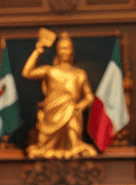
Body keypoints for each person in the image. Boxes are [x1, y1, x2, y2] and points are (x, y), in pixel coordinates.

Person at [21, 31, 97, 159]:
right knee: (45, 144)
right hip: (52, 111)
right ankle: (48, 147)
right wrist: (38, 49)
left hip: (72, 110)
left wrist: (81, 105)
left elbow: (89, 96)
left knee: (71, 110)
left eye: (68, 48)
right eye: (62, 48)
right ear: (58, 51)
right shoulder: (50, 71)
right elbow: (27, 73)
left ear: (72, 51)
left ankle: (74, 146)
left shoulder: (80, 74)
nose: (65, 51)